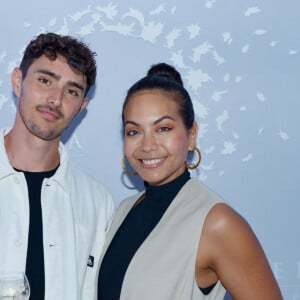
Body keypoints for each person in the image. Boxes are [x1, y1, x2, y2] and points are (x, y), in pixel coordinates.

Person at [96, 63, 283, 299]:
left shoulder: (218, 223)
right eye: (134, 131)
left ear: (191, 135)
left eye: (163, 128)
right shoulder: (124, 210)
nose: (147, 145)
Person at [0, 32, 115, 300]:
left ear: (81, 106)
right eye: (45, 80)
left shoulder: (98, 204)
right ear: (18, 81)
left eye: (71, 91)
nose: (55, 99)